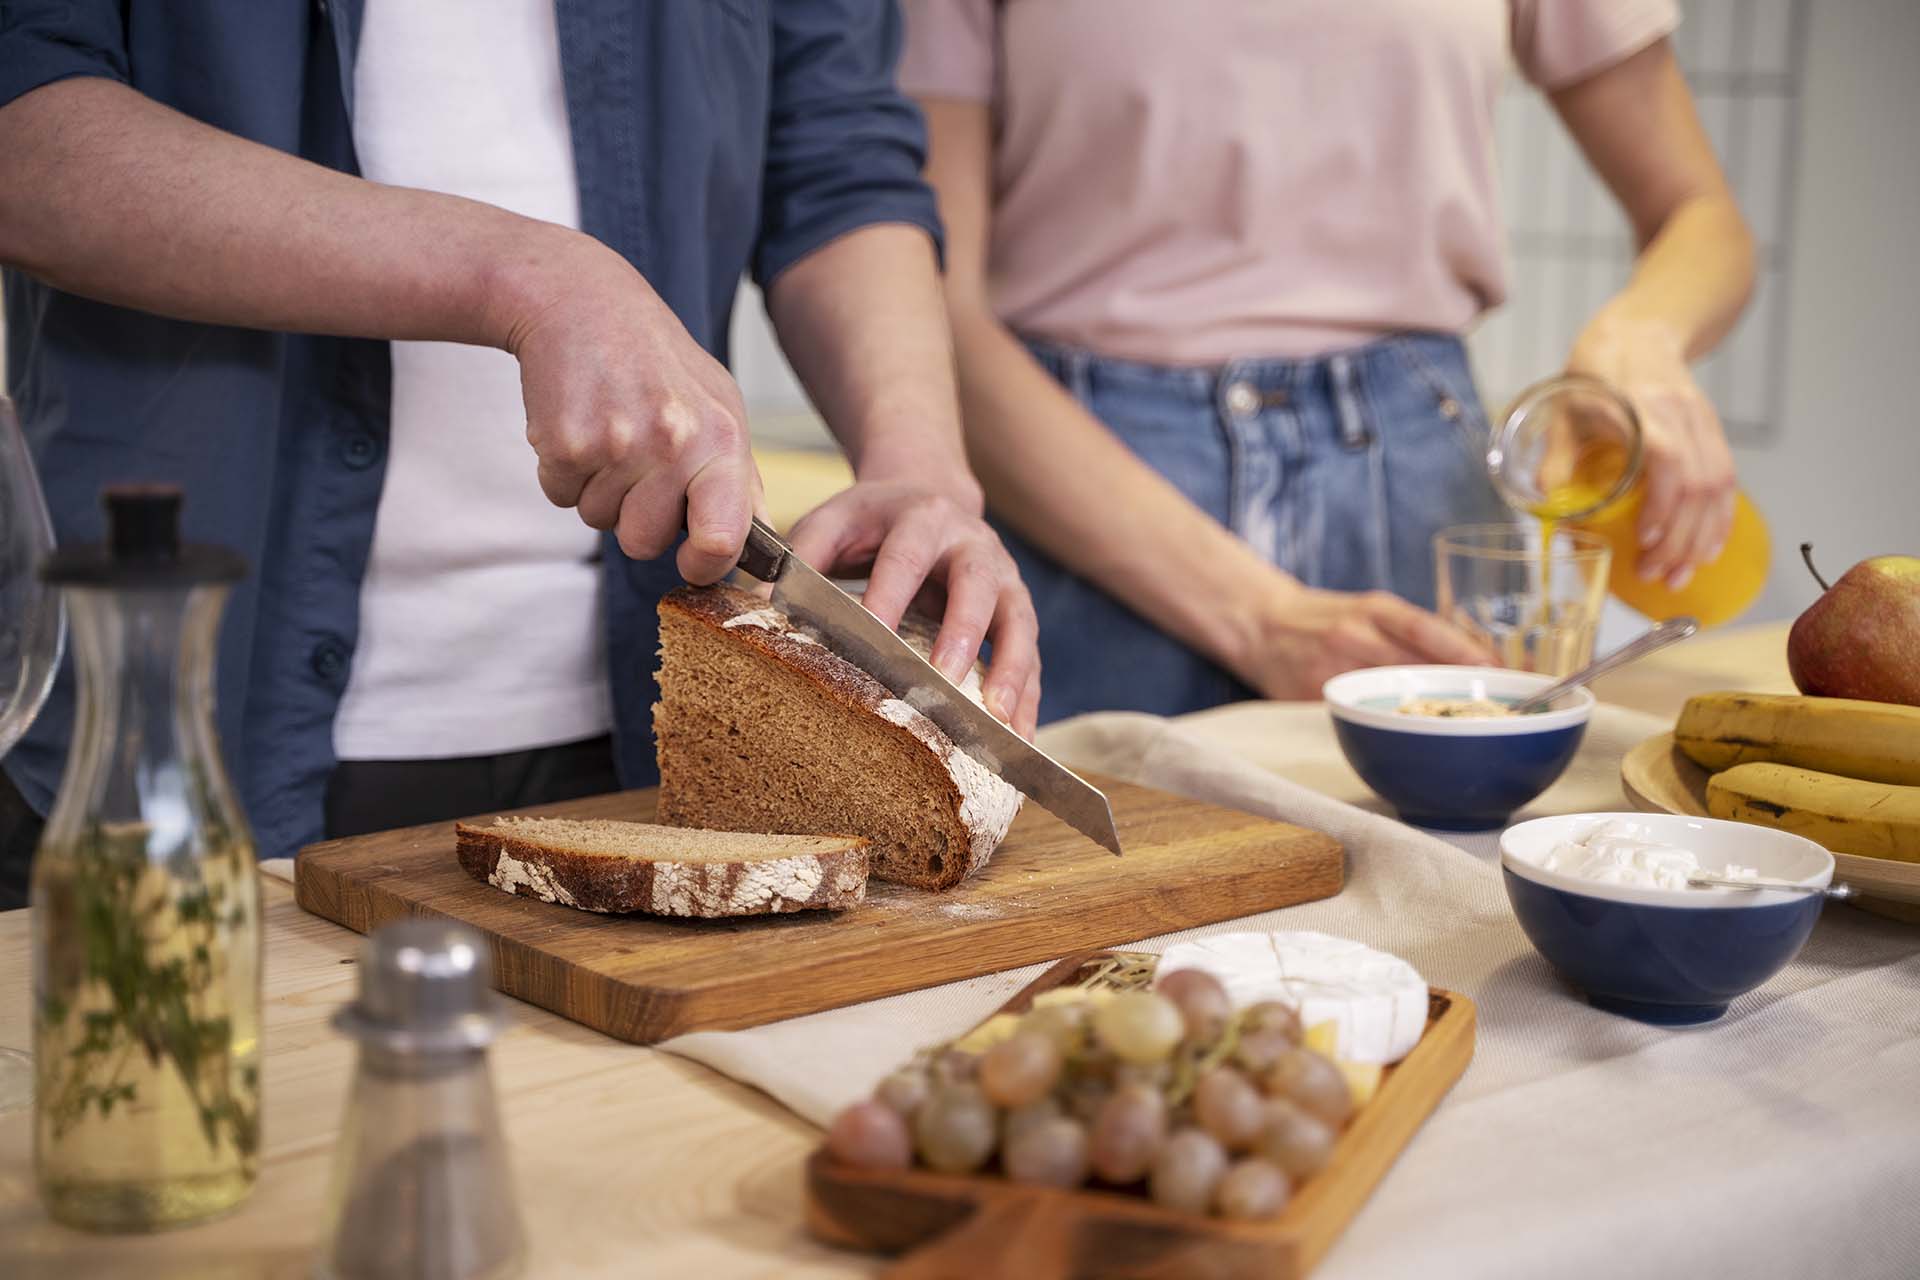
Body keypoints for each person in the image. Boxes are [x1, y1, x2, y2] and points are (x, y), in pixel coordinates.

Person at [0, 0, 1040, 908]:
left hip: (630, 729)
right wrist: (530, 278)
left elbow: (838, 159)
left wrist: (918, 460)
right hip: (175, 713)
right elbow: (26, 124)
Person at [900, 0, 1755, 721]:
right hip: (1079, 498)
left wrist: (1636, 340)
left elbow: (1701, 215)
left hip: (1418, 483)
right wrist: (1257, 615)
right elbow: (931, 307)